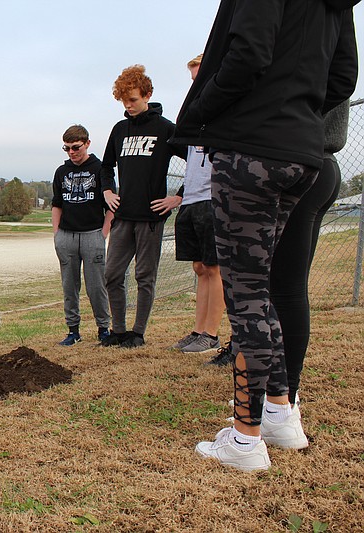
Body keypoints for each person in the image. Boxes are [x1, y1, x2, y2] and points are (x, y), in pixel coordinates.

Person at [172, 0, 357, 471]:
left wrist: (201, 117)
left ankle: (245, 439)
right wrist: (301, 111)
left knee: (247, 295)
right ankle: (280, 414)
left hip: (250, 152)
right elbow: (343, 78)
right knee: (265, 290)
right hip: (303, 156)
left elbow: (248, 54)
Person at [268, 99, 350, 447]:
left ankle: (284, 405)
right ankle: (280, 399)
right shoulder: (332, 48)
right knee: (286, 287)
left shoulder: (305, 49)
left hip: (301, 162)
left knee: (283, 289)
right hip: (320, 163)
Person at [99, 64, 187, 349]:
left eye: (133, 99)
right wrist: (107, 191)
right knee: (112, 274)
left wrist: (179, 196)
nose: (128, 105)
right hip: (123, 217)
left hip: (151, 217)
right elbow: (106, 166)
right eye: (124, 101)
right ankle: (119, 330)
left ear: (147, 94)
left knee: (144, 276)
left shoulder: (165, 128)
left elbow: (198, 163)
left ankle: (138, 333)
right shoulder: (120, 129)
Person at [170, 54, 226, 358]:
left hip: (212, 198)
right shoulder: (197, 113)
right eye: (192, 80)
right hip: (191, 198)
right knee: (200, 266)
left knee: (214, 268)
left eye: (199, 78)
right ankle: (198, 330)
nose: (196, 85)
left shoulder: (223, 110)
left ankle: (211, 334)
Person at [52, 124, 113, 346]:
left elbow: (111, 205)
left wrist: (103, 234)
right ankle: (73, 331)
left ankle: (103, 328)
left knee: (96, 286)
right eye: (66, 148)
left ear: (87, 143)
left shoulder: (100, 169)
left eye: (76, 147)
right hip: (66, 236)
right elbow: (56, 204)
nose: (72, 152)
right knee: (69, 286)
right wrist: (57, 234)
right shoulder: (61, 172)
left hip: (92, 234)